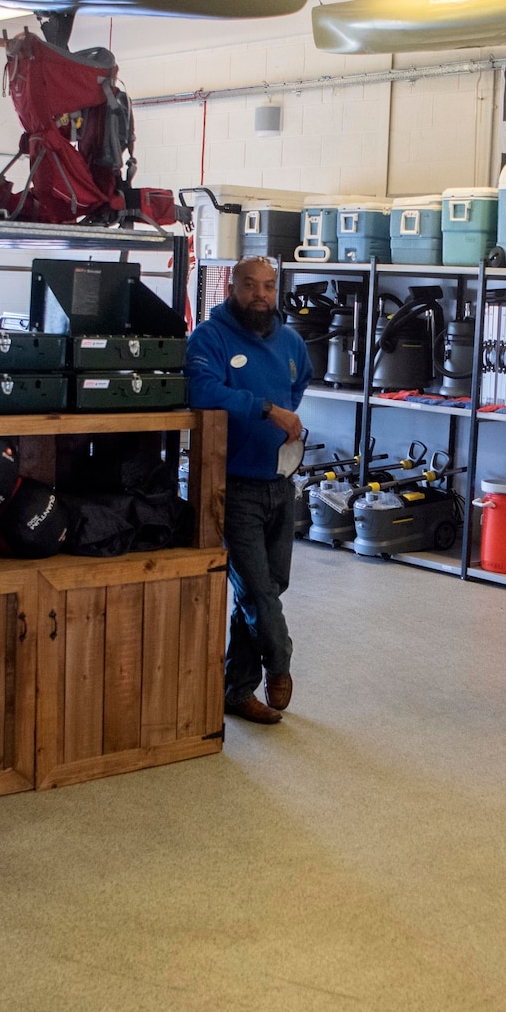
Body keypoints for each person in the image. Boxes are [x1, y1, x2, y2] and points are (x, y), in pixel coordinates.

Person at [186, 255, 312, 726]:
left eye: (268, 286)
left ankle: (236, 691)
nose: (261, 294)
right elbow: (202, 391)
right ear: (231, 288)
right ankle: (279, 664)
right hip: (233, 487)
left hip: (280, 483)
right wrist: (267, 410)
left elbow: (300, 380)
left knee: (269, 589)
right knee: (259, 593)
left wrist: (285, 413)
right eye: (250, 286)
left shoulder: (291, 340)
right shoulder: (210, 338)